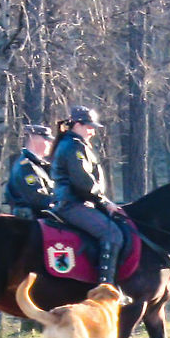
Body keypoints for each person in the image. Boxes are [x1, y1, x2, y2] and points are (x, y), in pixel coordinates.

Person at [50, 105, 124, 284]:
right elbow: (83, 182)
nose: (92, 132)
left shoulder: (76, 145)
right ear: (77, 125)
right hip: (72, 204)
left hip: (79, 202)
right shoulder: (73, 147)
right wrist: (105, 203)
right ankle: (105, 287)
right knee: (111, 233)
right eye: (89, 127)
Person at [4, 124, 55, 218]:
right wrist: (62, 202)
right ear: (33, 139)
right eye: (46, 140)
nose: (50, 144)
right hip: (31, 220)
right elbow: (37, 198)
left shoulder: (37, 165)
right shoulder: (26, 166)